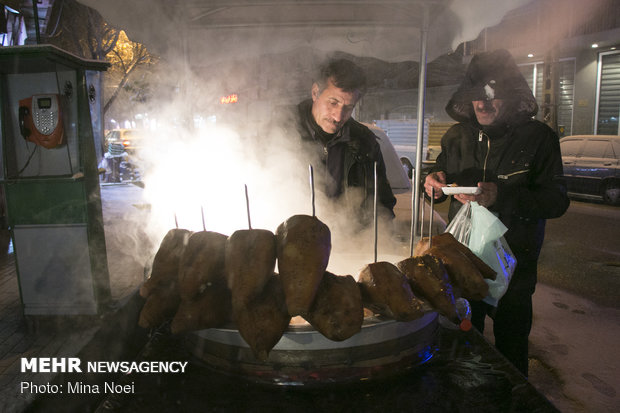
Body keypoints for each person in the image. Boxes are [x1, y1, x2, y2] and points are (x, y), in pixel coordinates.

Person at [424, 49, 570, 376]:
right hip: (461, 264)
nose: (483, 104)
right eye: (476, 96)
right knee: (461, 341)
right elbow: (438, 175)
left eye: (493, 96)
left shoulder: (538, 138)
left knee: (510, 349)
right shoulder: (457, 136)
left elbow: (556, 200)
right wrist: (431, 184)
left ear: (513, 96)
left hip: (514, 268)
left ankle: (511, 398)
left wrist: (502, 196)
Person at [288, 58, 396, 224]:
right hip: (294, 240)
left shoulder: (365, 142)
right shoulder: (282, 130)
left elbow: (383, 204)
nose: (338, 116)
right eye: (333, 103)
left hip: (351, 242)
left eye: (349, 107)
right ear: (315, 92)